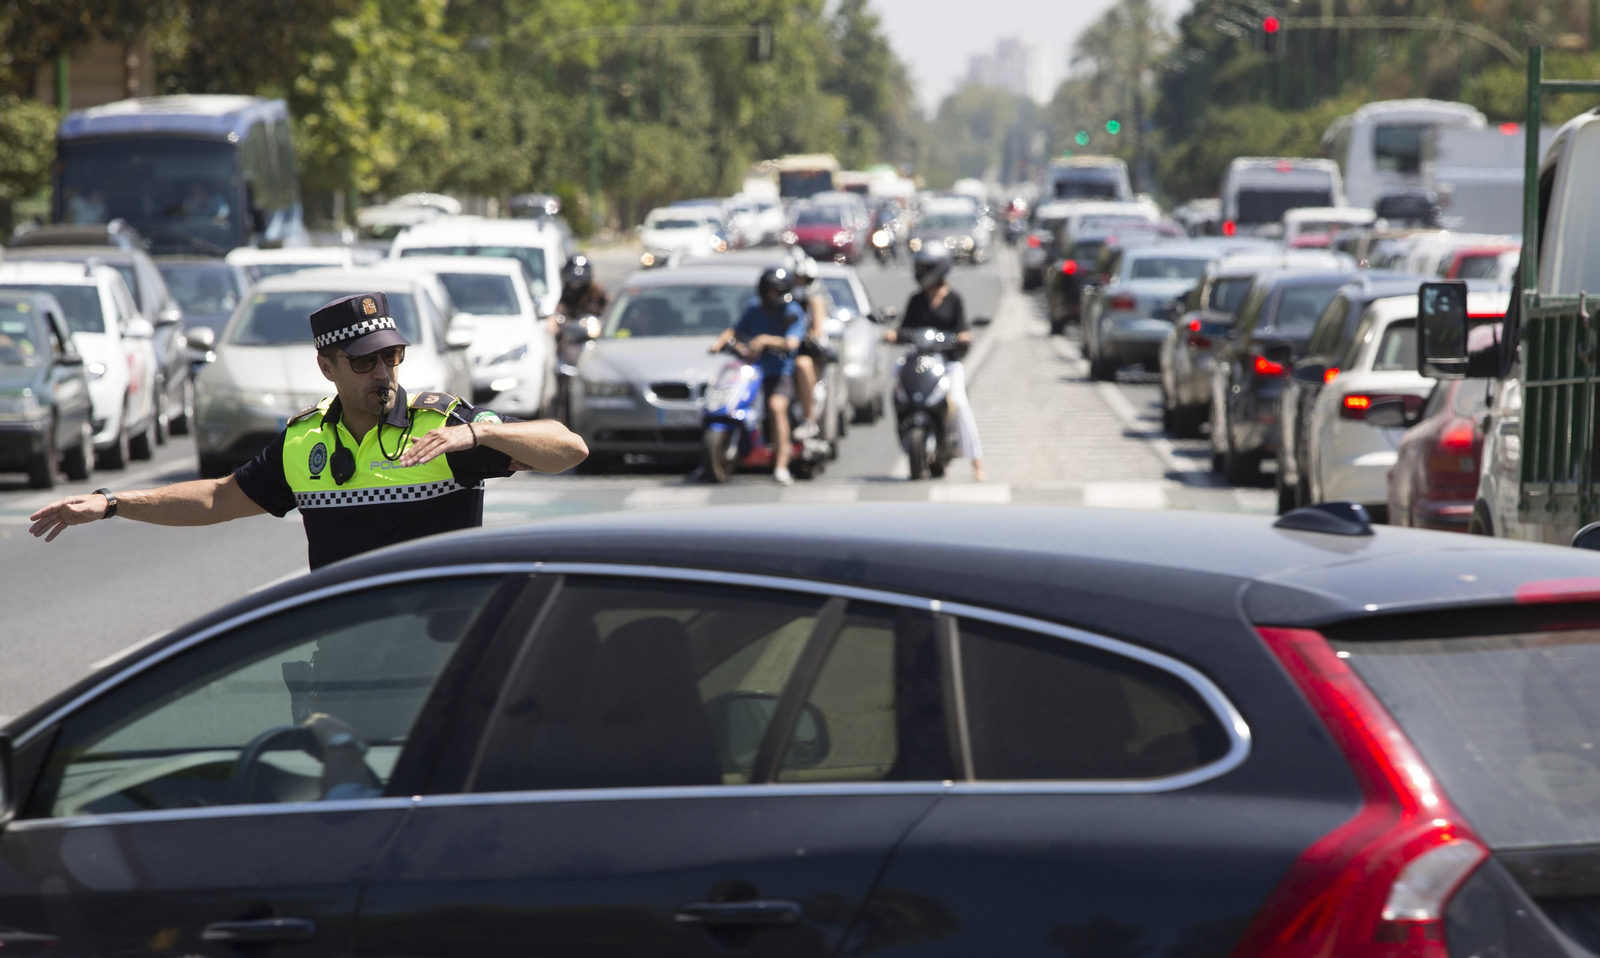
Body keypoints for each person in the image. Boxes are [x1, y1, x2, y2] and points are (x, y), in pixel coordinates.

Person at [29, 291, 588, 567]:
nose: (383, 373)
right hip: (346, 652)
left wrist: (480, 434)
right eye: (365, 362)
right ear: (328, 367)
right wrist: (111, 503)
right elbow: (218, 499)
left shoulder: (442, 424)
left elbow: (569, 448)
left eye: (391, 357)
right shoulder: (305, 443)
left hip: (440, 649)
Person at [888, 247, 986, 481]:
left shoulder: (954, 299)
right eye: (919, 267)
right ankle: (904, 421)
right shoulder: (916, 299)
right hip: (919, 359)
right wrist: (893, 335)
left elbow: (963, 329)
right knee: (896, 378)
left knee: (960, 403)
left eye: (925, 267)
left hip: (947, 362)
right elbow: (903, 328)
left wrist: (963, 336)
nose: (920, 272)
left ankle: (977, 463)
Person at [708, 267, 807, 485]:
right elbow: (734, 331)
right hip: (752, 373)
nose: (775, 296)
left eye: (778, 291)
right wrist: (718, 345)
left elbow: (791, 343)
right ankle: (709, 460)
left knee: (776, 407)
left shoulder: (792, 312)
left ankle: (781, 465)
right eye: (771, 291)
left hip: (780, 373)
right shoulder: (754, 308)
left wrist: (764, 340)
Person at [789, 258, 830, 438]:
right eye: (797, 278)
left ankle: (808, 419)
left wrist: (803, 338)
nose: (799, 282)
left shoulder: (815, 300)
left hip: (807, 353)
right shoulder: (785, 300)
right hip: (782, 353)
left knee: (802, 364)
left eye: (803, 278)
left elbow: (818, 332)